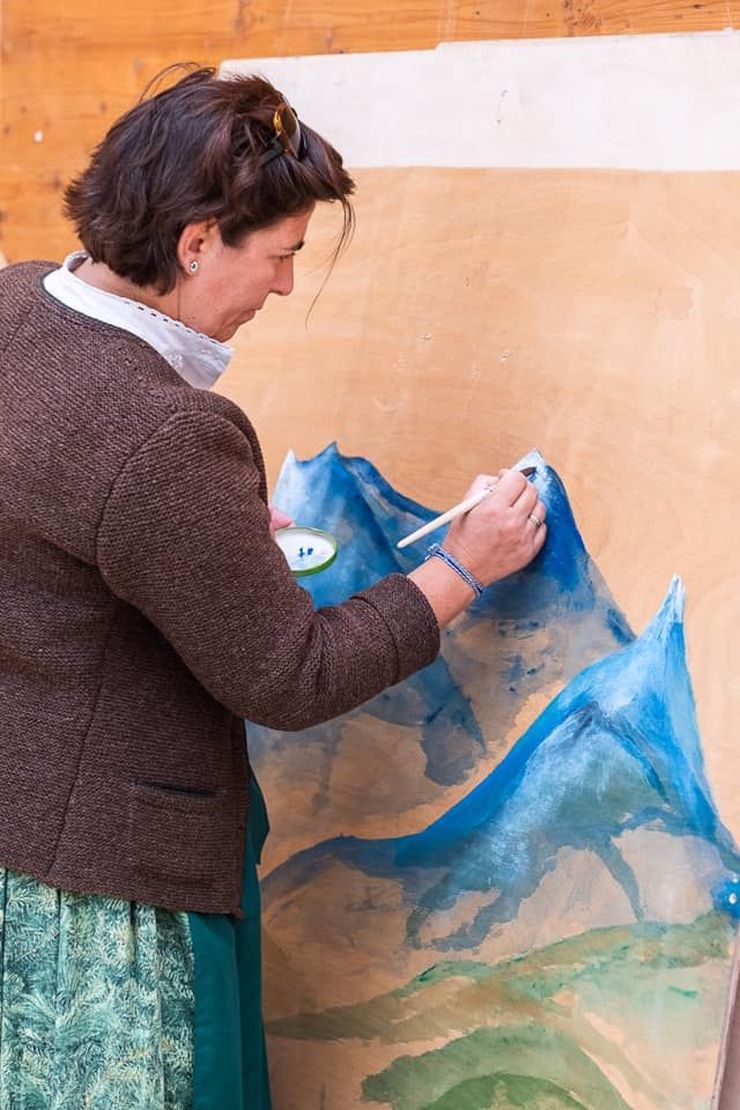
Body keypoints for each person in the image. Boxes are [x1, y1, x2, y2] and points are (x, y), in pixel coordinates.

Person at [0, 65, 546, 1108]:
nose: (286, 287)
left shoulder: (15, 305)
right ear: (196, 242)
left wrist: (181, 543)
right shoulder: (166, 434)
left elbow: (40, 505)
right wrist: (460, 567)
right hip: (111, 898)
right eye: (280, 255)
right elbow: (289, 676)